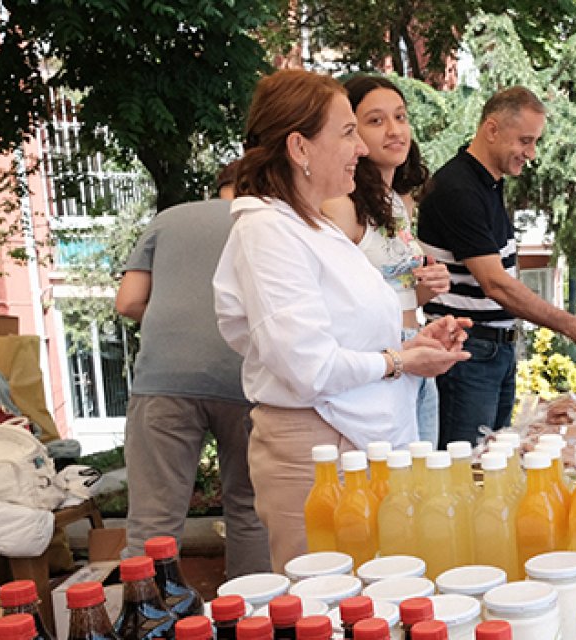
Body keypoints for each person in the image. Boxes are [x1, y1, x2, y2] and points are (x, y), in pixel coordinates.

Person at [211, 69, 471, 570]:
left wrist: (414, 340)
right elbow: (307, 367)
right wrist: (400, 359)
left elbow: (351, 328)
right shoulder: (267, 232)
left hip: (360, 444)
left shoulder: (309, 227)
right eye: (349, 131)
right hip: (318, 455)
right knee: (328, 608)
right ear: (300, 148)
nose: (360, 148)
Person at [417, 86, 576, 447]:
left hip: (494, 352)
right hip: (467, 355)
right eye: (525, 141)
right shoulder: (458, 189)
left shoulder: (488, 183)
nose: (531, 153)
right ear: (492, 130)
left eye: (535, 142)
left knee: (492, 464)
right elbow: (495, 284)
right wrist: (572, 326)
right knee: (468, 470)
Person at [114, 194, 270, 578]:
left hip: (164, 381)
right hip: (246, 379)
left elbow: (128, 302)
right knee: (250, 511)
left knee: (152, 521)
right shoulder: (271, 220)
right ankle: (252, 618)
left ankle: (145, 621)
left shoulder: (169, 218)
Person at [321, 75, 451, 446]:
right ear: (350, 132)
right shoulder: (339, 208)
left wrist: (425, 288)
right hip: (379, 362)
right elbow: (335, 300)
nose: (395, 130)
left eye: (400, 117)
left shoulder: (399, 202)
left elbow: (398, 293)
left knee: (423, 482)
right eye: (375, 121)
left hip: (417, 347)